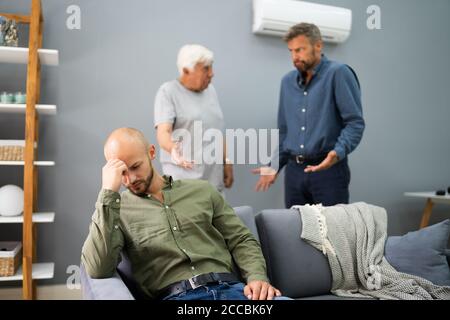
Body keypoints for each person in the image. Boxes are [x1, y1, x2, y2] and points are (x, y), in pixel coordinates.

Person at [81, 128, 285, 300]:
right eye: (122, 172)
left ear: (151, 153)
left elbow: (241, 239)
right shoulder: (117, 209)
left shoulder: (202, 190)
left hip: (232, 291)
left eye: (136, 167)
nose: (131, 179)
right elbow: (98, 268)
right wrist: (108, 193)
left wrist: (257, 277)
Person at [253, 23, 365, 208]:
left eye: (300, 49)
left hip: (328, 171)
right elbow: (284, 131)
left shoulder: (338, 73)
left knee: (332, 233)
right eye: (291, 51)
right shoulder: (287, 82)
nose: (295, 56)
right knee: (294, 232)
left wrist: (337, 153)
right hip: (294, 173)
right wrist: (274, 165)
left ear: (318, 46)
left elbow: (355, 122)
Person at [154, 44, 233, 193]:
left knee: (218, 216)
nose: (211, 73)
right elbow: (163, 133)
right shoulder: (168, 91)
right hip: (183, 181)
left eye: (211, 67)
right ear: (186, 70)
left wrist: (227, 163)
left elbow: (218, 130)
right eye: (205, 68)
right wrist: (172, 148)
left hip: (213, 181)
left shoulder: (211, 91)